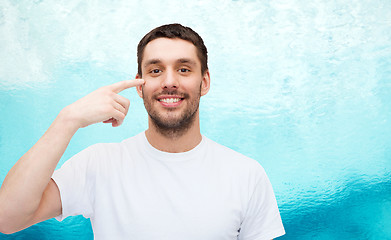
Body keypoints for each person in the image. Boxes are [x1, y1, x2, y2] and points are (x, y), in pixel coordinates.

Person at [0, 23, 285, 239]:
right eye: (155, 71)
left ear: (205, 81)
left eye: (184, 69)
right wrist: (68, 119)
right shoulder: (100, 164)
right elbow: (7, 218)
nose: (169, 82)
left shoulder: (246, 175)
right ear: (139, 84)